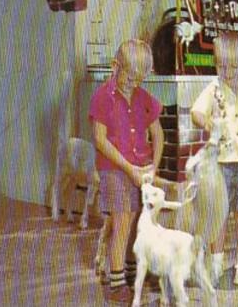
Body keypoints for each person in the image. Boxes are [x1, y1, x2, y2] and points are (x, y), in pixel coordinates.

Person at [89, 39, 164, 302]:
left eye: (139, 79)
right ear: (115, 66)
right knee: (122, 221)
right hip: (115, 168)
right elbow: (100, 139)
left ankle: (135, 275)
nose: (133, 84)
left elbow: (158, 134)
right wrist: (128, 167)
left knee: (139, 223)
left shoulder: (144, 98)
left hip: (140, 169)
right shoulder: (102, 97)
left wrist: (153, 166)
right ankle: (116, 281)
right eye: (129, 78)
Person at [191, 31, 238, 286]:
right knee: (219, 215)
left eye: (234, 65)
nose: (228, 71)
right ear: (215, 63)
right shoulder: (213, 90)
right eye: (221, 65)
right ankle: (216, 263)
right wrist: (209, 121)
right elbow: (196, 113)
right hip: (220, 165)